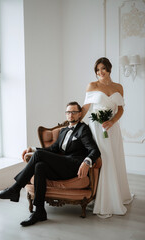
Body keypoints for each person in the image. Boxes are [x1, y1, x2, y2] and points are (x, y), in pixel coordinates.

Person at [0, 101, 101, 226]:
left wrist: (87, 161)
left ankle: (14, 189)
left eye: (74, 112)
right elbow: (52, 149)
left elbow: (94, 150)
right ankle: (39, 211)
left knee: (38, 157)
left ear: (79, 114)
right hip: (61, 167)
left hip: (73, 167)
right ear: (66, 114)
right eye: (68, 112)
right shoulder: (63, 131)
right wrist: (32, 149)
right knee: (39, 166)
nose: (71, 115)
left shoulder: (83, 129)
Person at [81, 57, 133, 218]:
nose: (100, 72)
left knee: (114, 159)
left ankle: (116, 195)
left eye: (103, 69)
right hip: (97, 128)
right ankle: (100, 197)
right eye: (97, 70)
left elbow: (121, 109)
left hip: (112, 129)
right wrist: (75, 121)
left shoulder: (118, 87)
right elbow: (85, 107)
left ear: (109, 69)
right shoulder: (92, 86)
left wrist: (112, 121)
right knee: (104, 159)